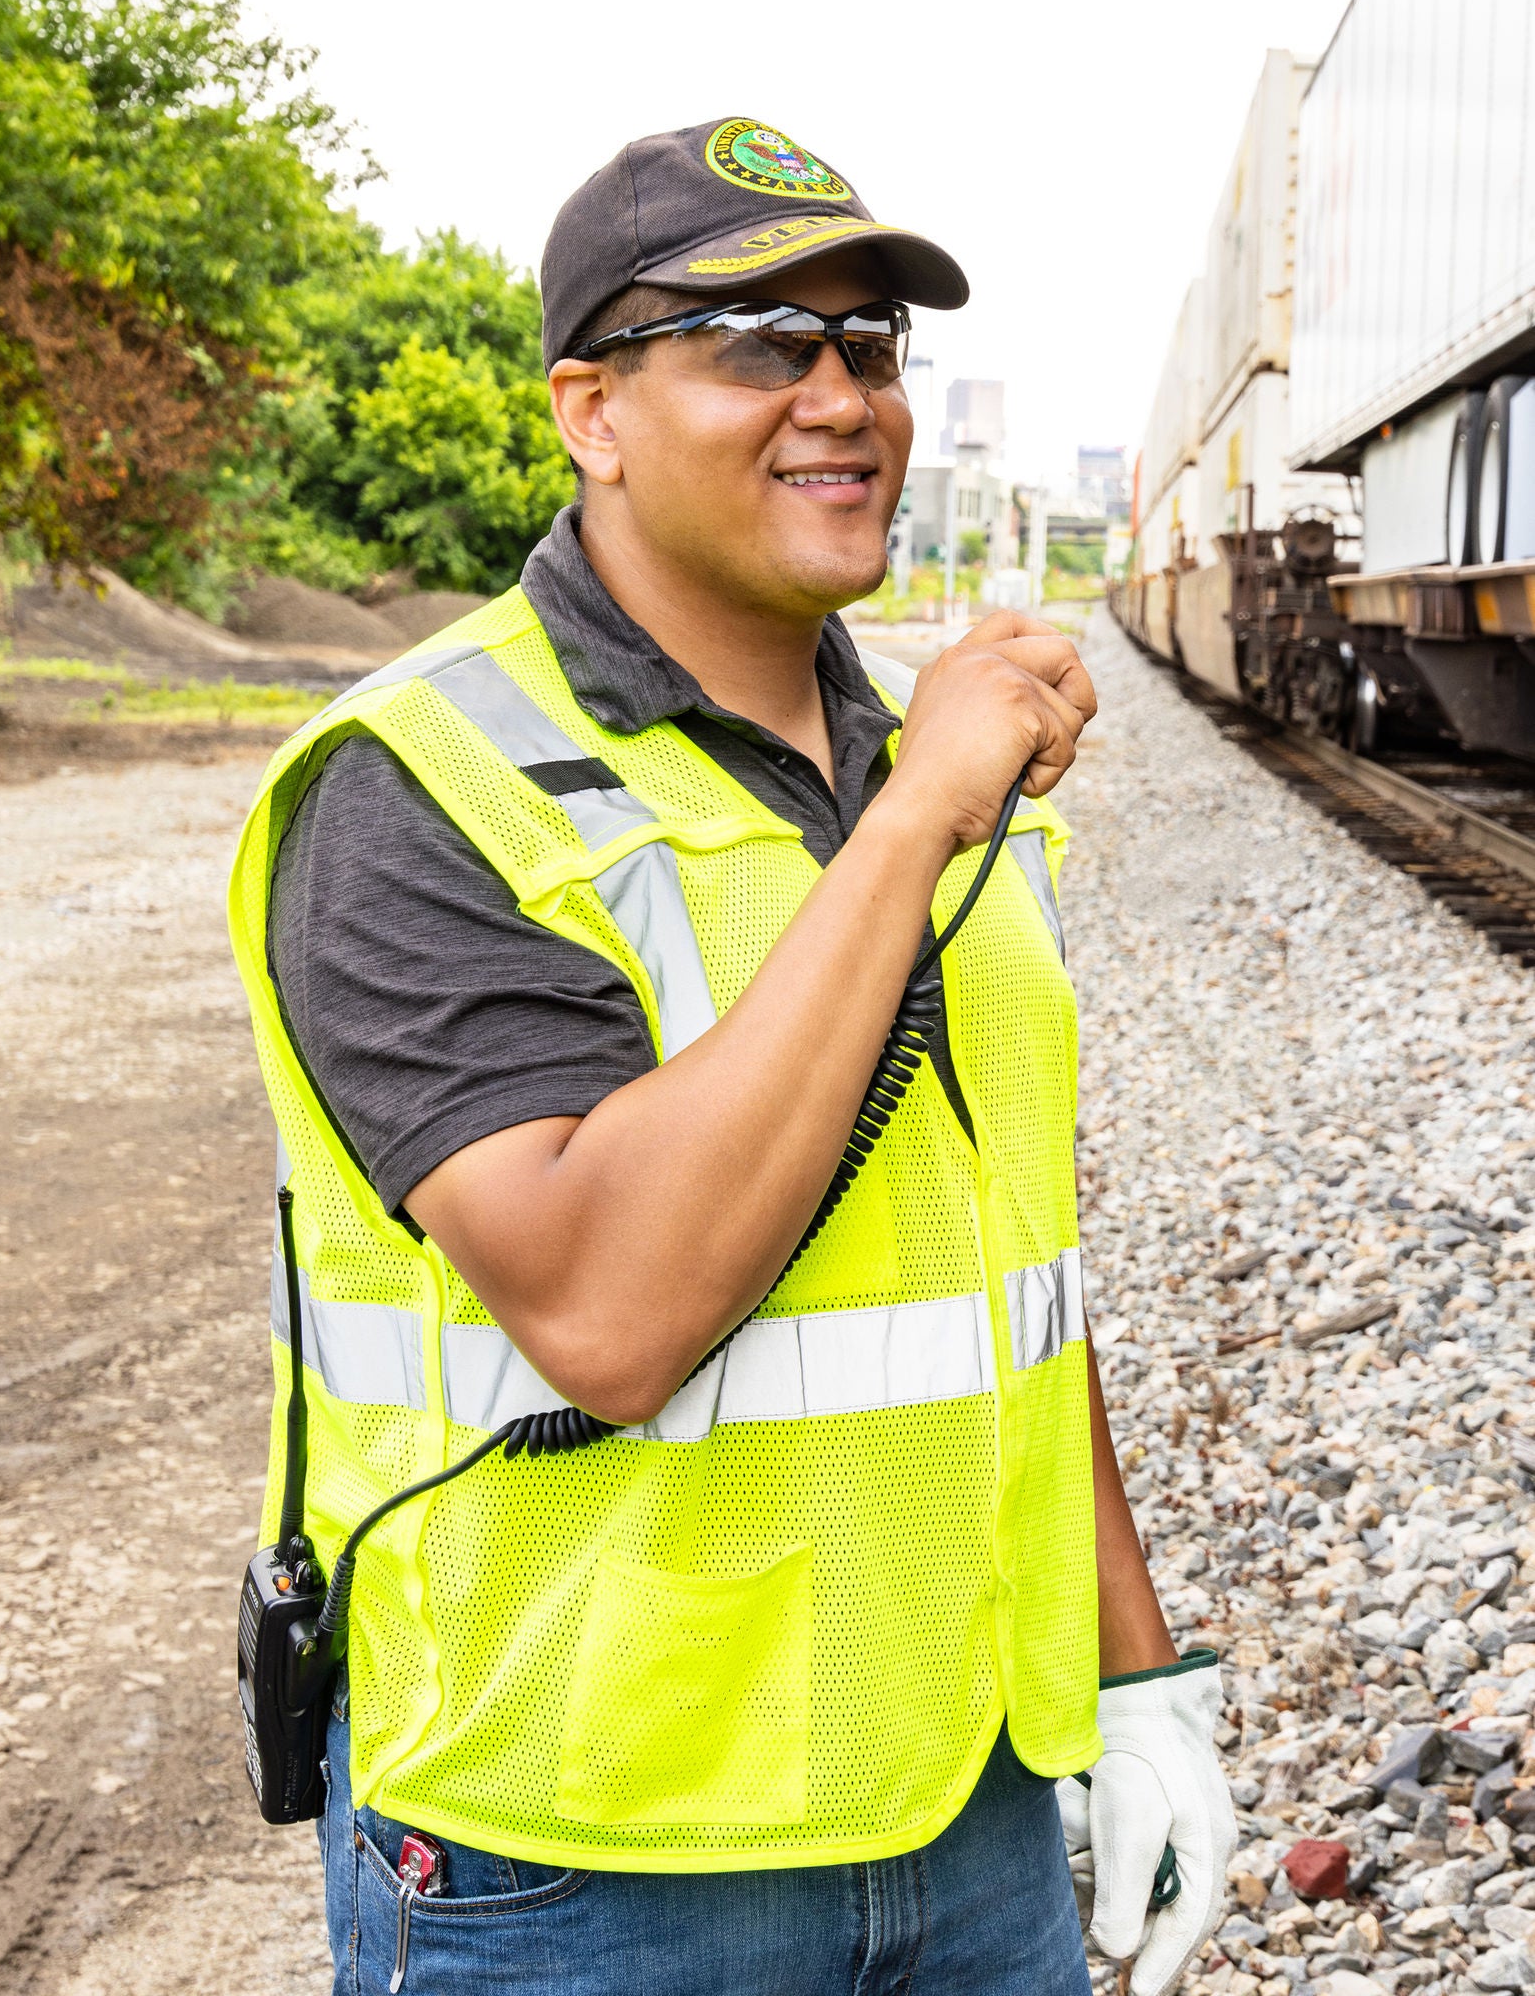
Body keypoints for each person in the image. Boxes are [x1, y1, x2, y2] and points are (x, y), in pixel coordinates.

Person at [228, 117, 1236, 1996]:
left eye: (869, 343)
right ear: (591, 410)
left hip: (966, 1799)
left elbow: (1005, 1263)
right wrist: (918, 818)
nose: (839, 394)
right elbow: (609, 1312)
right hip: (584, 1854)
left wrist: (1135, 1666)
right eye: (759, 340)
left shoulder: (909, 763)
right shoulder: (417, 787)